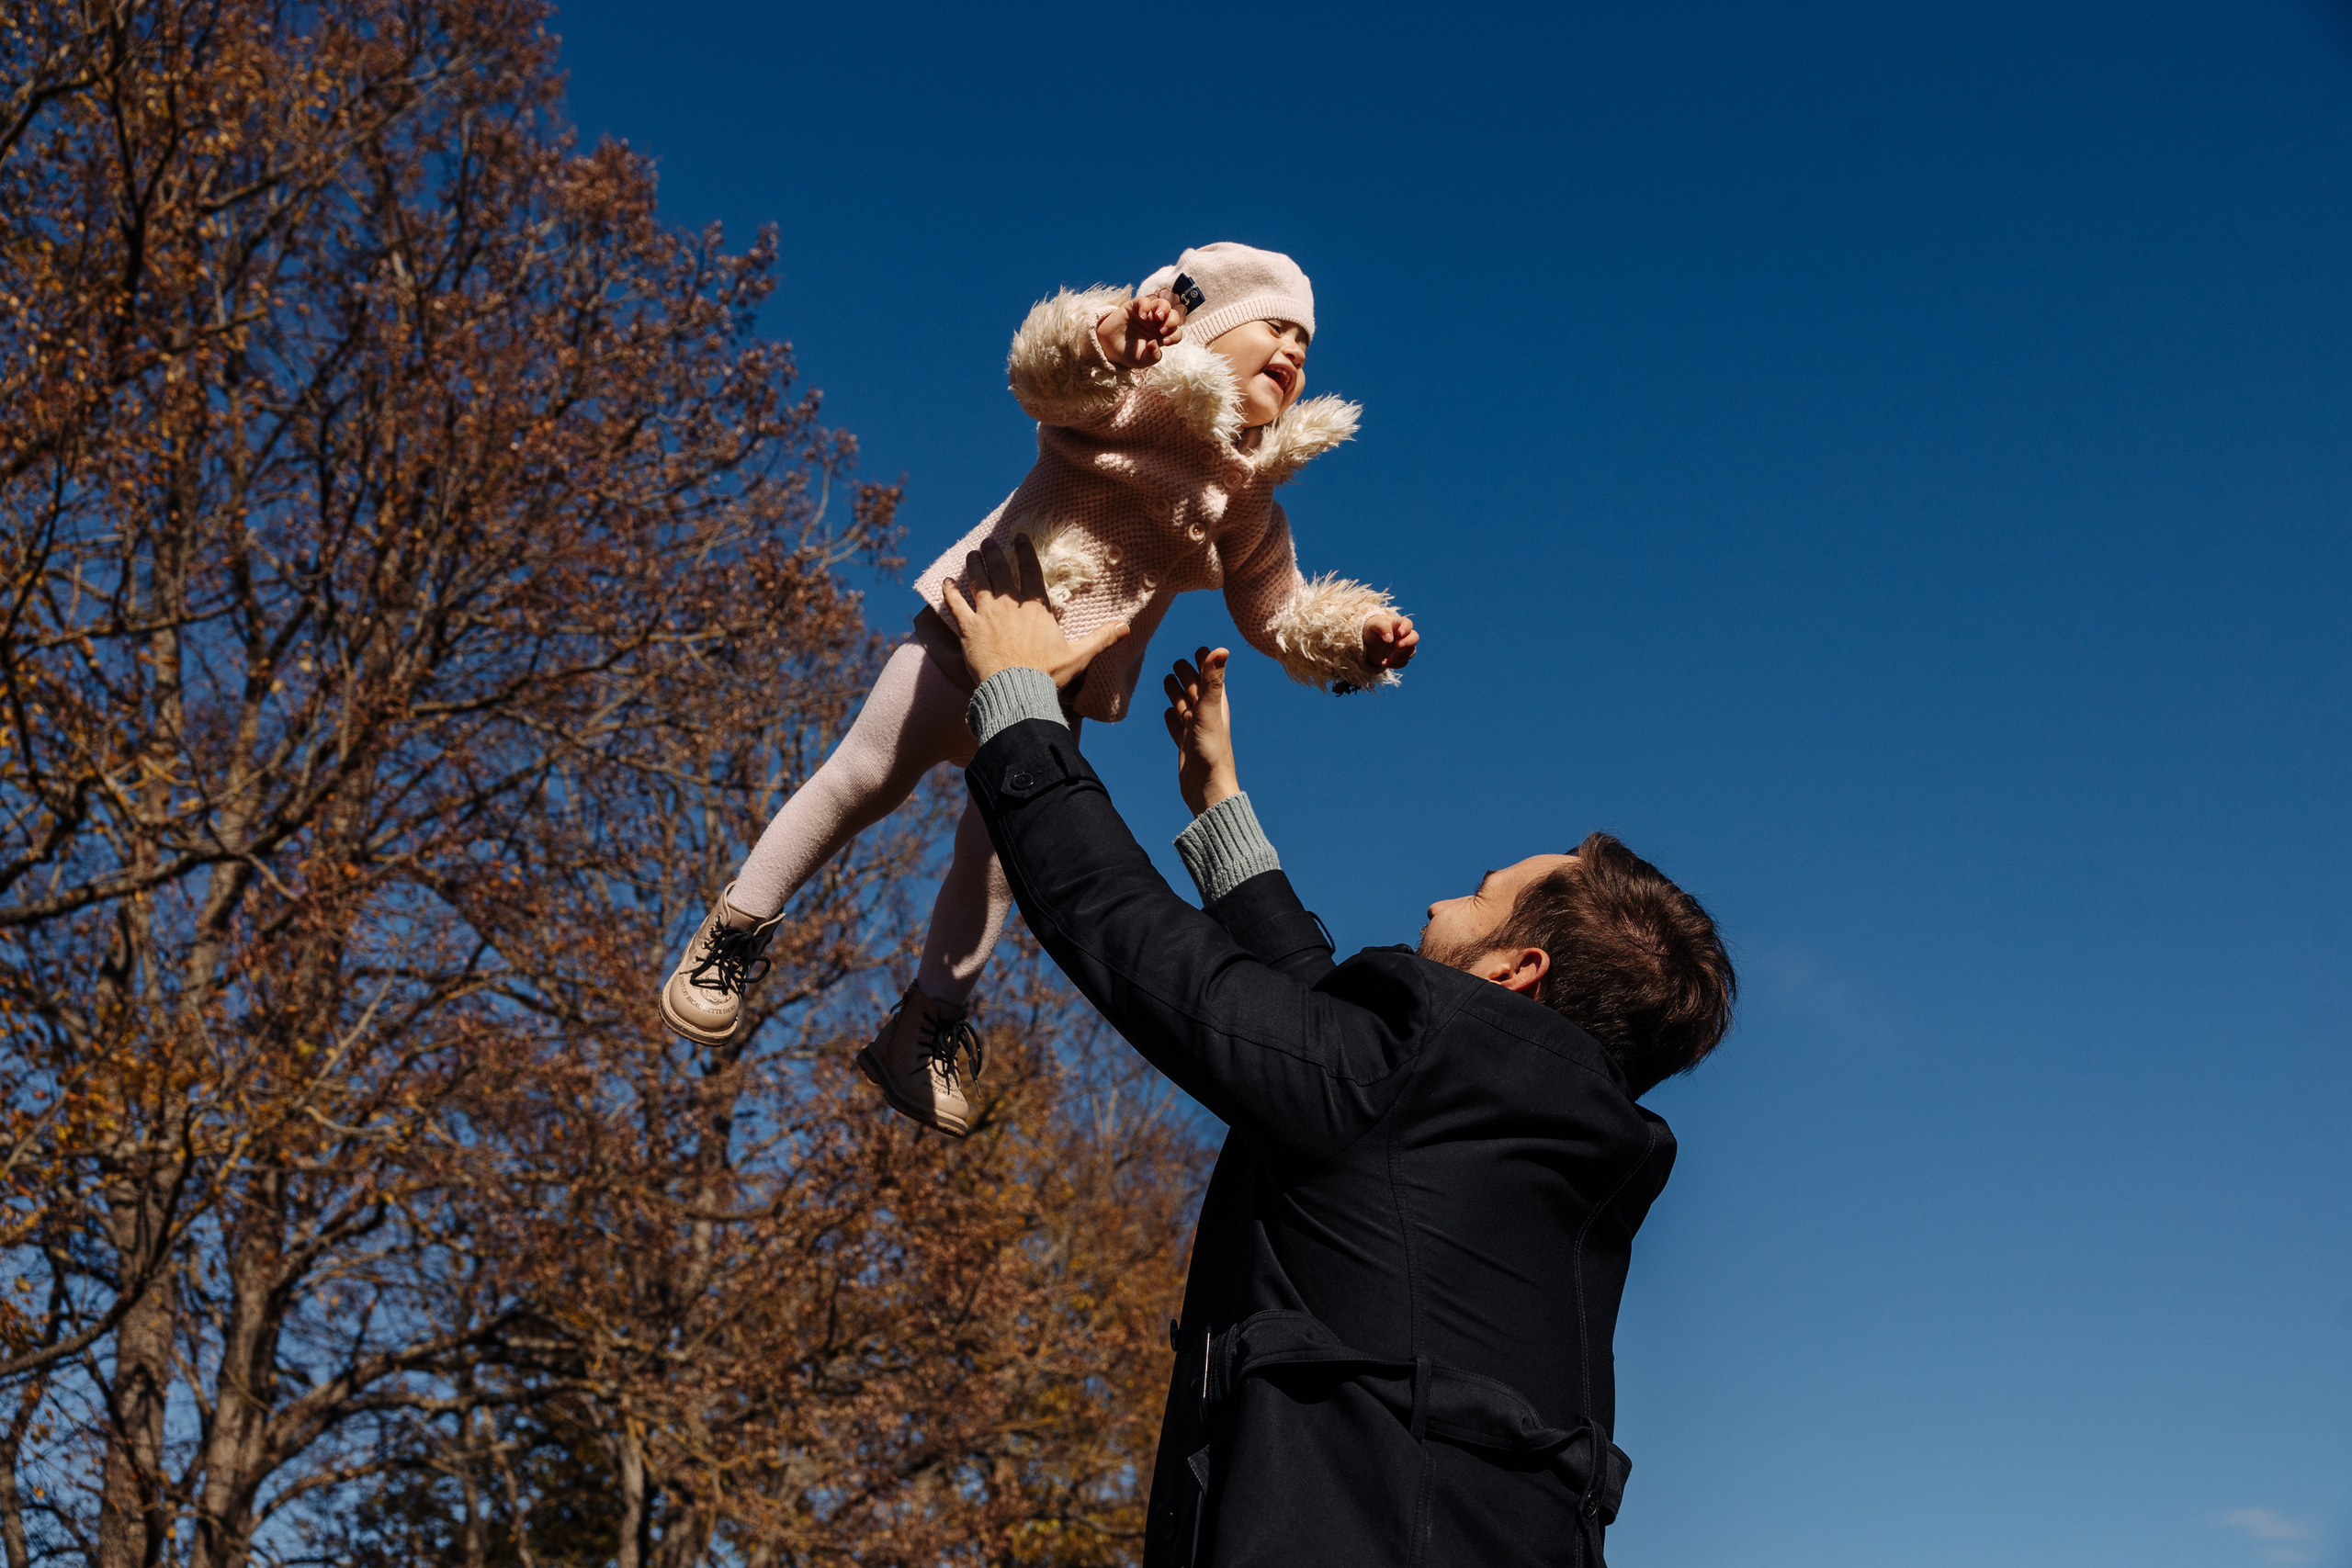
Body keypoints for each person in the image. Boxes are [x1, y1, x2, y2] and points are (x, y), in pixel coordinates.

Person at [935, 536, 1736, 1567]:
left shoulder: (1403, 1092)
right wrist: (1221, 810)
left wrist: (1015, 706)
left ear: (1513, 971)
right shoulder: (1538, 1151)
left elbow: (1140, 943)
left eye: (1478, 895)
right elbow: (1324, 1047)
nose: (1443, 900)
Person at [657, 242, 1419, 1138]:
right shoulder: (1129, 398)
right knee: (860, 779)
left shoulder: (1247, 498)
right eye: (1273, 326)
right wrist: (1111, 333)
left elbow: (1274, 609)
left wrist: (1355, 638)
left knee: (993, 869)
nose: (1293, 349)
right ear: (1206, 329)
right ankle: (731, 934)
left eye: (1305, 341)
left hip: (1046, 702)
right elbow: (1047, 375)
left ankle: (923, 1030)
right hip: (969, 633)